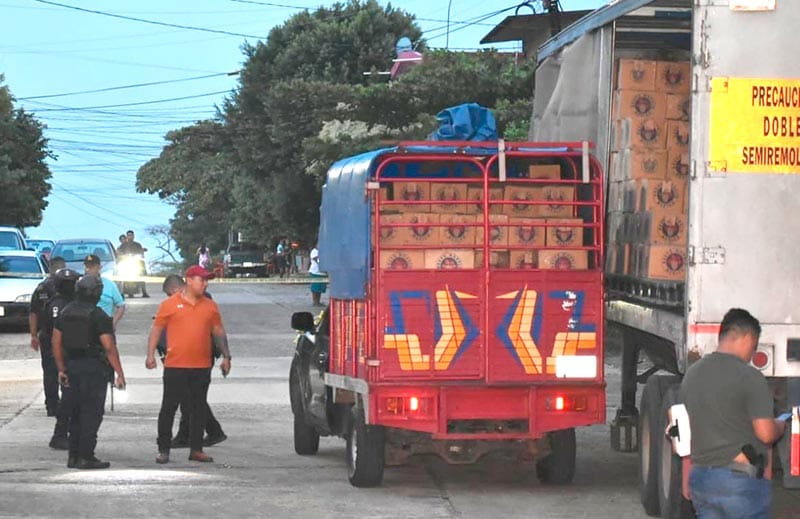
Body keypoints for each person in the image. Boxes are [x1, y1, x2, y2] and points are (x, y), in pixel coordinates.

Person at [680, 308, 787, 518]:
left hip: (701, 479)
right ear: (746, 337)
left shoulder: (692, 375)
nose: (753, 352)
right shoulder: (750, 377)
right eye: (754, 346)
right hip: (739, 483)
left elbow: (684, 432)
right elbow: (765, 433)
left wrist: (689, 477)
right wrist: (780, 425)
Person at [146, 265, 232, 464]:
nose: (205, 283)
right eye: (202, 280)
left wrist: (227, 356)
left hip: (201, 365)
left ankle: (196, 449)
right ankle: (164, 449)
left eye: (206, 280)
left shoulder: (210, 306)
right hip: (176, 365)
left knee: (198, 408)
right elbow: (157, 330)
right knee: (169, 408)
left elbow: (218, 332)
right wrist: (150, 355)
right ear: (189, 280)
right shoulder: (169, 304)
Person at [52, 275, 126, 470]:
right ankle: (86, 456)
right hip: (93, 368)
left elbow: (56, 343)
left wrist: (61, 369)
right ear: (96, 293)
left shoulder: (65, 312)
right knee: (92, 414)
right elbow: (109, 347)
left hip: (71, 366)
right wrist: (119, 373)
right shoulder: (98, 315)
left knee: (74, 413)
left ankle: (74, 456)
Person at [41, 268, 81, 450]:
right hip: (62, 354)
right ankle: (60, 434)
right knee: (67, 395)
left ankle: (70, 433)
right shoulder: (57, 305)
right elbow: (53, 332)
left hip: (70, 354)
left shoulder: (75, 304)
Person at [29, 256, 66, 416]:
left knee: (49, 371)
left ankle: (52, 405)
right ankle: (68, 403)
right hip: (66, 336)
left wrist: (33, 335)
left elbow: (33, 313)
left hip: (47, 334)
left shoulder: (41, 288)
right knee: (67, 368)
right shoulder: (69, 287)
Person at [83, 254, 126, 329]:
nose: (88, 270)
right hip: (84, 326)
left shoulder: (109, 284)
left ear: (99, 267)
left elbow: (120, 306)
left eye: (92, 267)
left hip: (104, 325)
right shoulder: (79, 285)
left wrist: (113, 323)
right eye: (87, 267)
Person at [118, 230, 150, 298]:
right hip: (126, 263)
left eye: (131, 235)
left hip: (136, 263)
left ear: (133, 236)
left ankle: (144, 292)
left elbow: (141, 253)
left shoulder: (137, 245)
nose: (130, 237)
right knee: (121, 275)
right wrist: (121, 255)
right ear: (127, 236)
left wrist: (142, 253)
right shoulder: (123, 245)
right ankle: (122, 291)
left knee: (142, 274)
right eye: (128, 235)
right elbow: (119, 252)